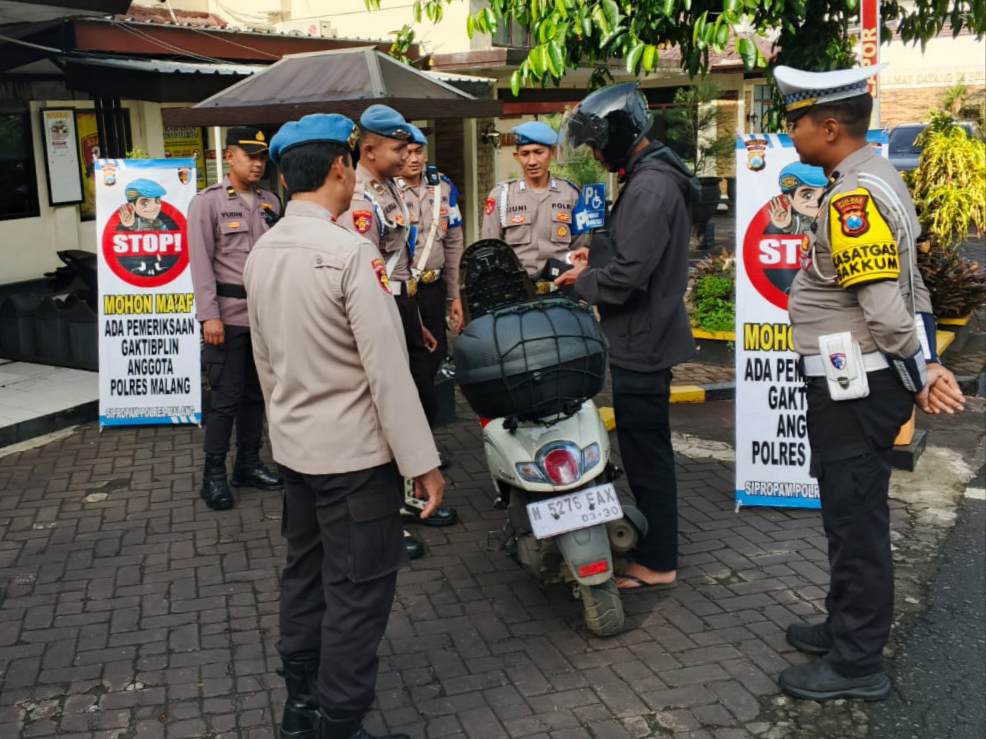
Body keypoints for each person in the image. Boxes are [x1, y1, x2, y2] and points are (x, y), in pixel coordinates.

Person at [244, 113, 445, 739]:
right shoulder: (349, 252)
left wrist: (283, 435)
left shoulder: (262, 251)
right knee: (359, 592)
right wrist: (423, 462)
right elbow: (387, 372)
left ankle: (300, 708)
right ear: (341, 166)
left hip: (297, 455)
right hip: (355, 462)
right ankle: (340, 721)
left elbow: (266, 367)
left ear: (284, 173)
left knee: (304, 575)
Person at [771, 64, 965, 701]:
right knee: (846, 510)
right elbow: (916, 285)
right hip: (857, 378)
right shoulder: (876, 177)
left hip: (857, 384)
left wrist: (920, 371)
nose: (790, 131)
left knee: (855, 518)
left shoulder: (854, 197)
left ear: (829, 127)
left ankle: (857, 664)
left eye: (795, 120)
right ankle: (843, 624)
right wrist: (923, 362)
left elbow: (885, 306)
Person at [555, 82, 697, 592]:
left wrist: (582, 281)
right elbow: (635, 253)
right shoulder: (650, 174)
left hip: (642, 337)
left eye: (596, 144)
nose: (593, 154)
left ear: (615, 136)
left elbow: (631, 275)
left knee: (647, 455)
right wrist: (597, 259)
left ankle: (658, 561)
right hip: (646, 333)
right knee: (645, 449)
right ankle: (656, 551)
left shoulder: (650, 186)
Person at [337, 105, 458, 548]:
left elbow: (401, 262)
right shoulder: (360, 199)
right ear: (369, 150)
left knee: (408, 404)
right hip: (381, 308)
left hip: (404, 306)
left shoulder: (389, 188)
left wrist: (415, 322)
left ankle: (410, 499)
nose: (405, 153)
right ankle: (387, 522)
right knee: (382, 414)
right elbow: (368, 274)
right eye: (396, 147)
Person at [188, 126, 283, 511]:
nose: (258, 163)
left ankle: (248, 463)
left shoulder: (271, 202)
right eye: (250, 156)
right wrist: (209, 316)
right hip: (226, 317)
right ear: (229, 157)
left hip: (264, 317)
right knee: (225, 398)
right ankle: (213, 474)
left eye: (262, 157)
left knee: (255, 396)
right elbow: (200, 263)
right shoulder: (207, 203)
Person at [481, 121, 588, 288]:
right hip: (517, 292)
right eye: (525, 154)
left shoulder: (572, 194)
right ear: (516, 156)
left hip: (562, 290)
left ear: (551, 153)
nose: (532, 161)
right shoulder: (501, 196)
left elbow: (580, 249)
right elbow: (489, 251)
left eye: (539, 152)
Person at [766, 161, 828, 236]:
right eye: (808, 196)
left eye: (826, 193)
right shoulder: (795, 222)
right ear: (787, 200)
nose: (820, 200)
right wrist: (787, 226)